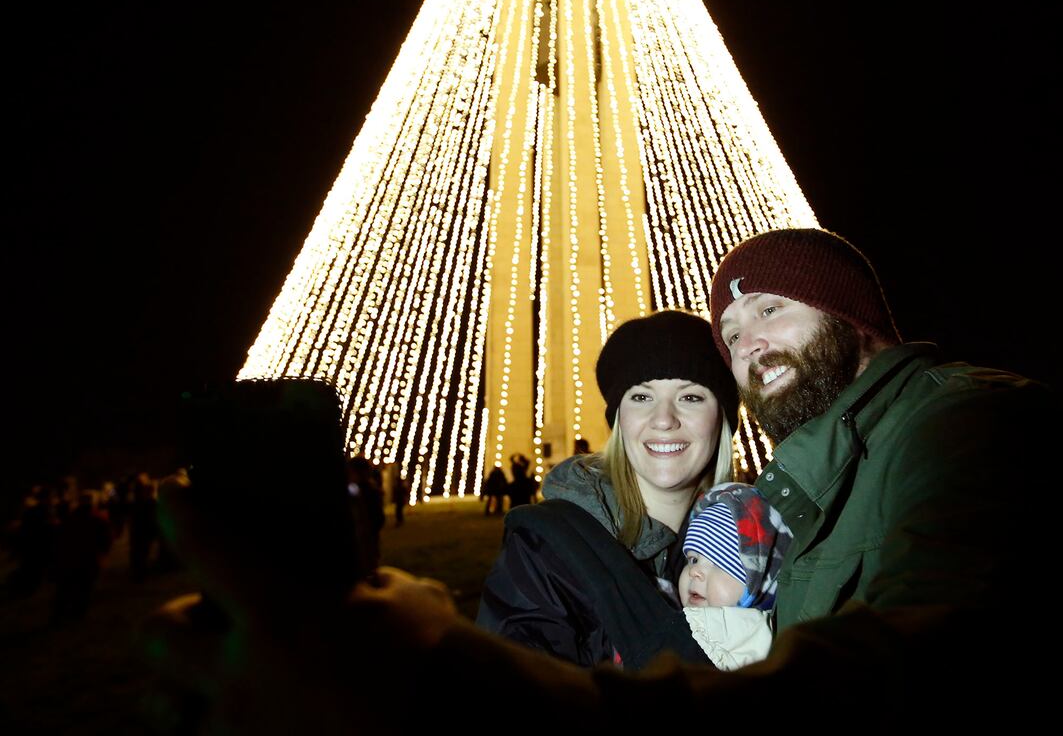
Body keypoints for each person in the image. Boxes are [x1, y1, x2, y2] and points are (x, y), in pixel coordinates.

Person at [143, 229, 1053, 730]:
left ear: (854, 319)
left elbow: (930, 665)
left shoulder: (956, 422)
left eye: (771, 310)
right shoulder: (800, 487)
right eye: (731, 338)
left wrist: (446, 681)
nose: (750, 347)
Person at [476, 309, 739, 667]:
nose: (664, 420)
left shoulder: (758, 542)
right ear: (619, 419)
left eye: (690, 397)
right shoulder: (547, 552)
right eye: (641, 397)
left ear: (722, 417)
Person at [677, 481, 791, 669]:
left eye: (720, 564)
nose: (694, 571)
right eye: (693, 559)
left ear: (759, 583)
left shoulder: (752, 646)